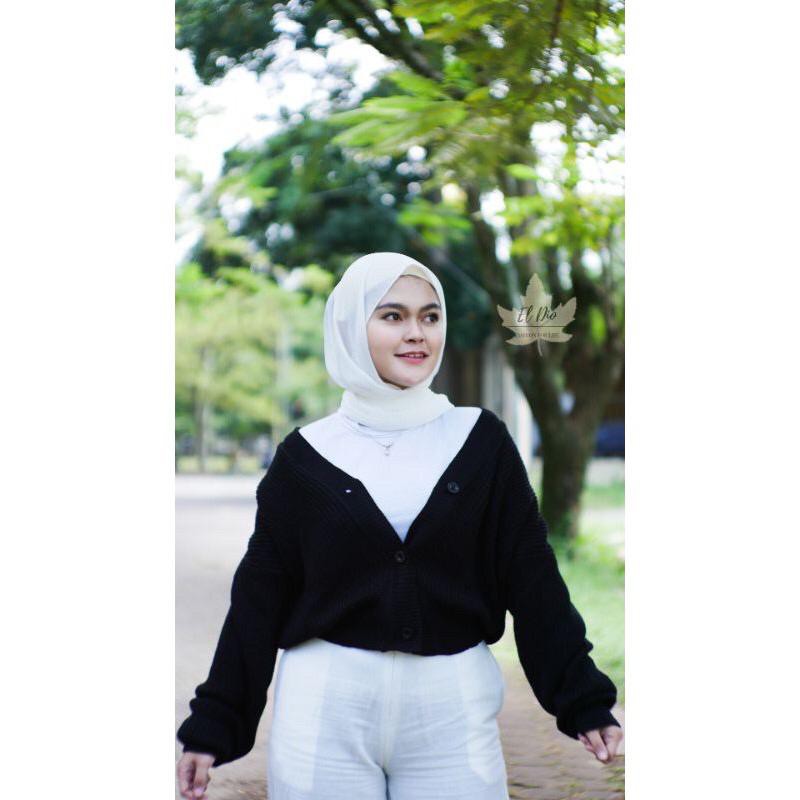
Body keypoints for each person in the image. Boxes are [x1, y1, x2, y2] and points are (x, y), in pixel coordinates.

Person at [176, 252, 623, 800]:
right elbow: (258, 598)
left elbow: (532, 579)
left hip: (452, 709)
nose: (417, 333)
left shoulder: (480, 441)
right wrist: (214, 725)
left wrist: (583, 699)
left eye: (430, 317)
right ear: (350, 327)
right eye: (393, 316)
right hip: (324, 710)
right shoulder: (304, 456)